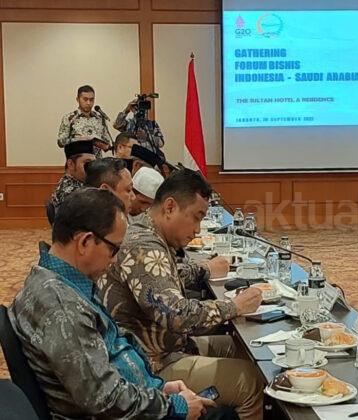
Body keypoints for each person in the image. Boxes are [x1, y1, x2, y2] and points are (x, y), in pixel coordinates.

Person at [9, 188, 237, 419]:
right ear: (85, 242)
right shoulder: (62, 307)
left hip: (137, 393)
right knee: (225, 412)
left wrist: (159, 388)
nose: (116, 259)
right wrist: (174, 405)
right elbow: (105, 399)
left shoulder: (59, 280)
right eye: (114, 249)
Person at [99, 169, 264, 420]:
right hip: (151, 365)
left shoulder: (147, 232)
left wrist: (204, 270)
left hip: (167, 346)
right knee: (250, 380)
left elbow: (165, 276)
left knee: (243, 347)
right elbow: (176, 315)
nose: (197, 229)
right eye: (196, 218)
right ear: (170, 207)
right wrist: (234, 306)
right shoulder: (143, 244)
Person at [57, 85, 113, 158]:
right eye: (85, 99)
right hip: (77, 161)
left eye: (91, 100)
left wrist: (103, 144)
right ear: (78, 99)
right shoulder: (69, 118)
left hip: (97, 162)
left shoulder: (100, 118)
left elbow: (107, 141)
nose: (88, 103)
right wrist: (78, 139)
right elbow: (60, 142)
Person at [49, 140, 96, 216]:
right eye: (87, 163)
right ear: (70, 164)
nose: (92, 168)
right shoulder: (69, 192)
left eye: (93, 163)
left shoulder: (82, 184)